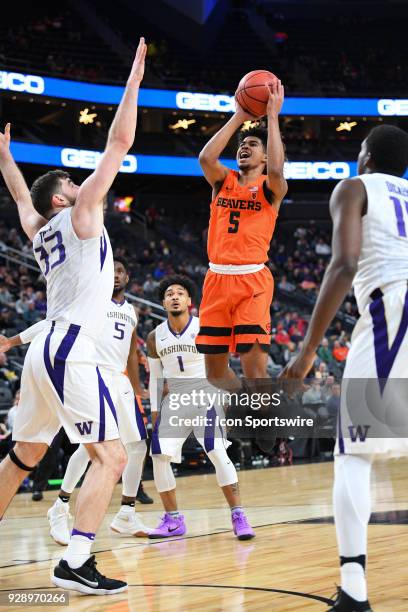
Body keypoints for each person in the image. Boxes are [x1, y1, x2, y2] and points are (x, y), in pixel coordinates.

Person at [0, 37, 147, 595]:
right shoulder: (83, 213)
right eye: (70, 182)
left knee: (24, 455)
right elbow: (120, 140)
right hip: (70, 348)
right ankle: (75, 560)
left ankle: (71, 553)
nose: (79, 182)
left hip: (45, 352)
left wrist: (7, 161)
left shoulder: (41, 230)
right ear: (64, 198)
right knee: (109, 456)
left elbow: (20, 199)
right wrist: (133, 81)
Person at [281, 124, 408, 611]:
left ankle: (354, 592)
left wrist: (309, 347)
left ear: (368, 154)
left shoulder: (355, 186)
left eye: (358, 147)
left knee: (353, 454)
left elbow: (345, 262)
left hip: (390, 308)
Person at [0, 258, 151, 541]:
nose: (116, 276)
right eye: (111, 271)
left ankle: (127, 513)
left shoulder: (132, 311)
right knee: (91, 449)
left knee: (137, 447)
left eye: (121, 271)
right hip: (89, 372)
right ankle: (60, 505)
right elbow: (50, 323)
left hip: (119, 381)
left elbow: (130, 352)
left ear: (128, 277)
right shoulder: (91, 299)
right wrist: (12, 341)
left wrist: (137, 386)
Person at [147, 275, 254, 540]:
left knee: (216, 451)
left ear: (189, 301)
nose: (174, 296)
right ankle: (173, 520)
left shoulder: (205, 327)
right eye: (169, 293)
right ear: (163, 302)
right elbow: (154, 378)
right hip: (175, 400)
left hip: (206, 394)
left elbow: (221, 366)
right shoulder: (154, 336)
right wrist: (154, 411)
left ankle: (238, 514)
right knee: (159, 456)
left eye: (179, 293)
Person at [195, 80, 287, 390]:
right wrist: (240, 115)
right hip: (216, 279)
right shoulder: (223, 180)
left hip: (252, 282)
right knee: (214, 373)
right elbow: (206, 158)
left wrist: (272, 116)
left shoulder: (271, 187)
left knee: (255, 372)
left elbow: (276, 171)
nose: (244, 147)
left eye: (252, 145)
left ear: (265, 157)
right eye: (241, 145)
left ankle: (267, 430)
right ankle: (248, 411)